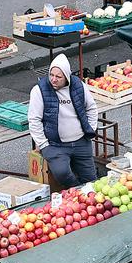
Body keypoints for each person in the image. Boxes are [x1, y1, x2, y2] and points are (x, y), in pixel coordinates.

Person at [26, 53, 98, 190]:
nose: (53, 79)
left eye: (58, 77)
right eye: (51, 75)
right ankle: (77, 191)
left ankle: (87, 196)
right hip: (55, 145)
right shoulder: (39, 90)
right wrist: (44, 145)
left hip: (80, 141)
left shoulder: (79, 86)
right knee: (62, 173)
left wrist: (91, 129)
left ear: (67, 77)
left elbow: (92, 108)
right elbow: (34, 119)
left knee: (91, 179)